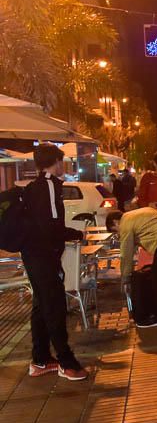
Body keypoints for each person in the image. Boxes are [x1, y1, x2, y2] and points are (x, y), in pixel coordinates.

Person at [20, 143, 88, 381]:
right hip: (43, 257)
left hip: (33, 255)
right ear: (56, 162)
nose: (64, 165)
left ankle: (40, 360)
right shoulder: (49, 186)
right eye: (62, 161)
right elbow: (52, 226)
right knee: (54, 307)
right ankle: (66, 362)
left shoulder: (34, 186)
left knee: (41, 306)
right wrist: (77, 234)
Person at [106, 208, 157, 328]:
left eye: (115, 231)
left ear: (115, 222)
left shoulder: (125, 224)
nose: (118, 234)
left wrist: (125, 276)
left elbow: (126, 253)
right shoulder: (134, 215)